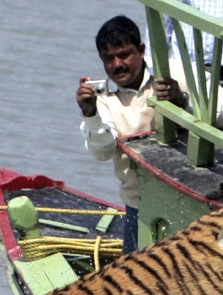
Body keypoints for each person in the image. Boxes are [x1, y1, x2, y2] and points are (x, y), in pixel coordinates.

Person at [77, 15, 192, 254]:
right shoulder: (102, 99)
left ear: (141, 50)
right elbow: (102, 152)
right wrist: (90, 114)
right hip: (140, 207)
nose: (118, 64)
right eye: (109, 58)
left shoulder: (175, 72)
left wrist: (182, 102)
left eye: (124, 54)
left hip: (191, 198)